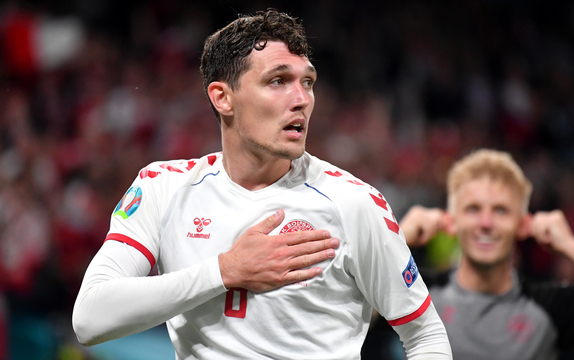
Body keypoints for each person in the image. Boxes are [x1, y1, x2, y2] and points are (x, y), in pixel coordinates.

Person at [72, 9, 451, 359]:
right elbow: (90, 318)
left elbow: (425, 335)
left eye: (308, 82)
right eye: (278, 81)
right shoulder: (163, 188)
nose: (301, 99)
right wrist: (224, 271)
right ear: (223, 97)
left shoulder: (354, 203)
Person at [399, 148, 574, 360]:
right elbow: (361, 312)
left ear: (524, 224)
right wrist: (397, 240)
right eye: (473, 209)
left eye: (500, 210)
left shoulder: (550, 307)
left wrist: (570, 246)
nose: (486, 222)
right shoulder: (417, 294)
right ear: (450, 222)